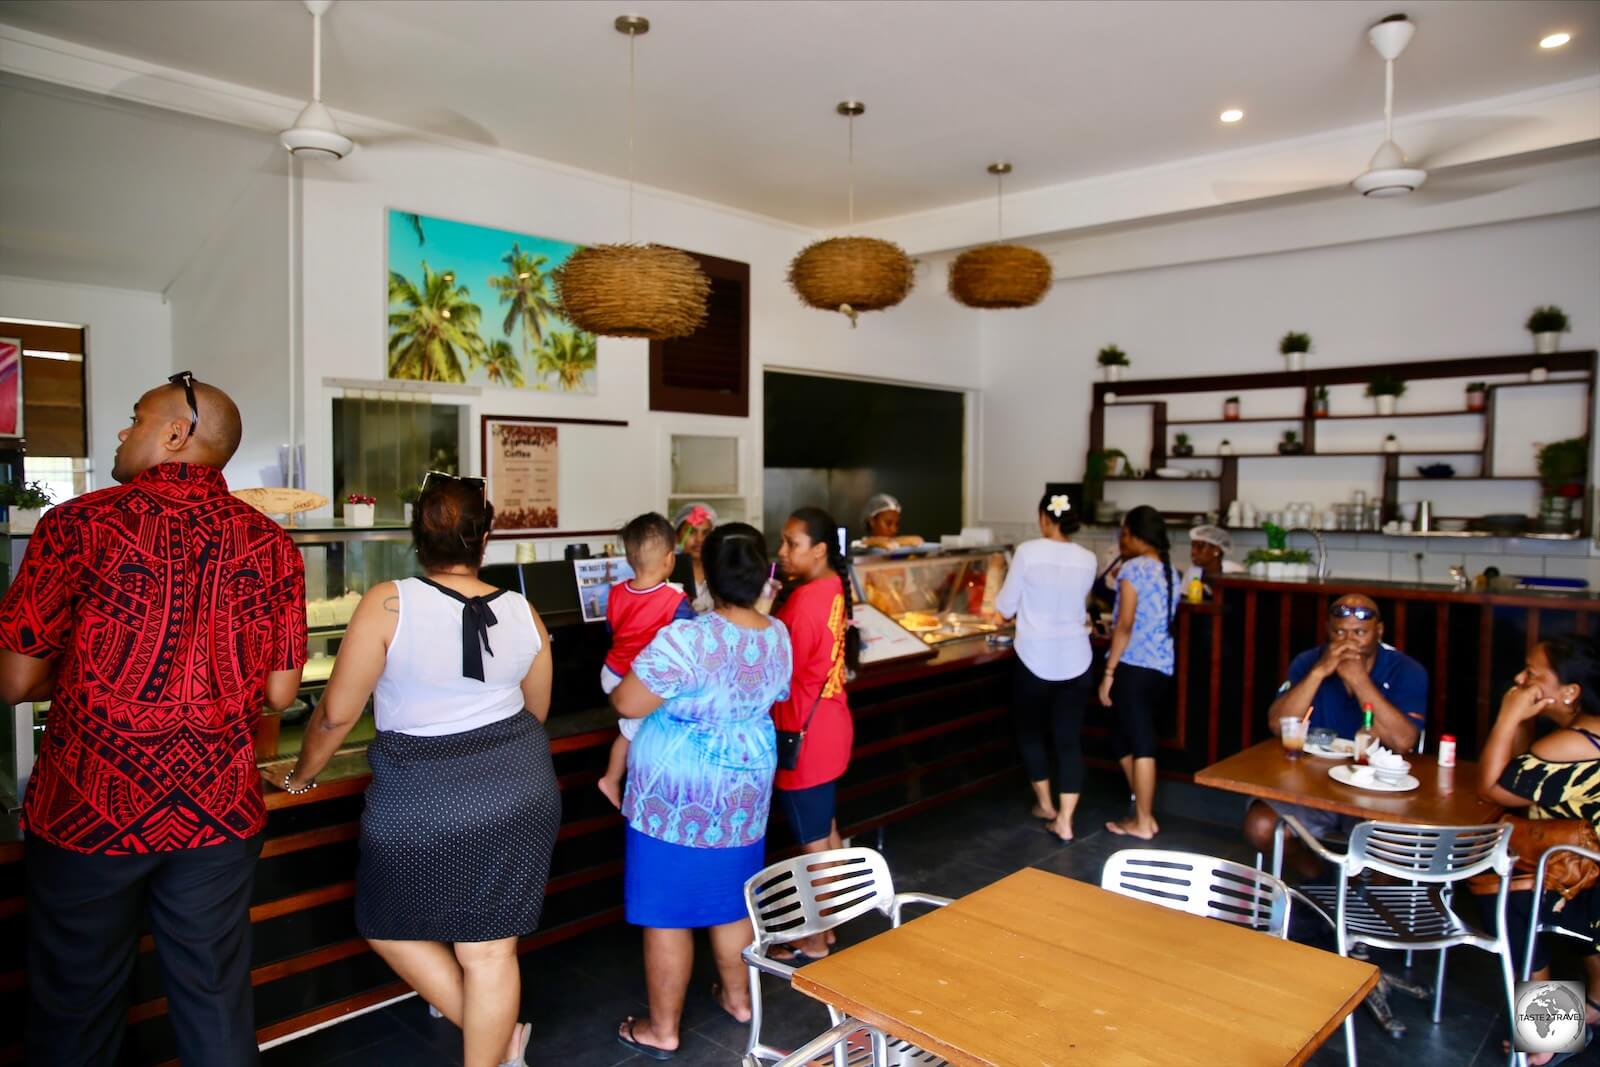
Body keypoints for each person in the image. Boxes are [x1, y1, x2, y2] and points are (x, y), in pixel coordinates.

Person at [0, 373, 306, 1067]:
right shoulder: (271, 544)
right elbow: (283, 691)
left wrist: (81, 670)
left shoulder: (76, 525)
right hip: (219, 813)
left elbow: (15, 680)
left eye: (134, 418)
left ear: (175, 433)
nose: (121, 431)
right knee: (215, 1000)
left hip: (87, 810)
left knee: (75, 1006)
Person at [277, 474, 559, 1067]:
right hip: (519, 786)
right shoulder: (522, 610)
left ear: (416, 538)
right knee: (489, 953)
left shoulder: (387, 601)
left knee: (388, 927)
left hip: (419, 799)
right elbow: (536, 712)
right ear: (484, 539)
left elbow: (333, 716)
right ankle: (499, 1044)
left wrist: (302, 775)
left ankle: (501, 1042)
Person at [610, 523, 792, 1060]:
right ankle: (739, 1000)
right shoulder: (776, 633)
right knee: (731, 900)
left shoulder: (689, 638)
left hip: (677, 795)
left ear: (705, 574)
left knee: (667, 913)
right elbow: (774, 690)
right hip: (744, 790)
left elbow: (627, 702)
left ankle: (662, 1029)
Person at [1478, 634, 1600, 1062]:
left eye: (1532, 674)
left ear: (1570, 692)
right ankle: (1596, 1006)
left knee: (1518, 897)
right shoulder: (1585, 735)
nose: (1519, 679)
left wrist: (1508, 714)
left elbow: (1494, 788)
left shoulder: (1568, 746)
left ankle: (1548, 1037)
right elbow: (1520, 775)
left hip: (1591, 887)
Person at [1244, 595, 1427, 876]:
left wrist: (1358, 679)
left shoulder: (1406, 670)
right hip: (1311, 786)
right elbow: (1279, 725)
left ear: (1379, 631)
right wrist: (1318, 673)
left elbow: (1403, 741)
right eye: (1339, 632)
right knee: (1261, 825)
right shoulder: (1310, 661)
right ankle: (1316, 881)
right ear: (1328, 629)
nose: (1348, 641)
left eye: (1359, 633)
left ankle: (1363, 908)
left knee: (1395, 847)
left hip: (1378, 792)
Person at [770, 506, 859, 960]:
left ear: (820, 550)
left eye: (792, 544)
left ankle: (815, 937)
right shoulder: (829, 588)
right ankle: (831, 924)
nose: (782, 552)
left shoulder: (803, 602)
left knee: (813, 844)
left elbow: (777, 674)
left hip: (803, 735)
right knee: (825, 831)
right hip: (829, 725)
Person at [994, 492, 1097, 843]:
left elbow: (1005, 607)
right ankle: (1066, 820)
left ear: (1043, 517)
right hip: (1076, 658)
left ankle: (1046, 805)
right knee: (1069, 740)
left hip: (1034, 658)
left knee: (1030, 733)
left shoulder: (1027, 552)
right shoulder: (1088, 559)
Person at [597, 512, 695, 809]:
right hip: (638, 679)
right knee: (633, 733)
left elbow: (611, 629)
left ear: (629, 558)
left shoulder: (615, 593)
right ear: (669, 559)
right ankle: (612, 779)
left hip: (612, 672)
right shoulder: (675, 599)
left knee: (635, 727)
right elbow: (689, 638)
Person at [1098, 505, 1177, 840]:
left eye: (1124, 532)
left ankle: (1144, 821)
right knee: (1124, 736)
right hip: (1161, 668)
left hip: (1134, 665)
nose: (1121, 539)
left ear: (1133, 533)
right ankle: (1143, 813)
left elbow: (1125, 625)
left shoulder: (1134, 569)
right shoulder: (1171, 571)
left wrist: (1109, 671)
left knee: (1140, 741)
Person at [670, 501, 718, 613]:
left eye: (706, 533)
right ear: (677, 536)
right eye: (691, 532)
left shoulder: (721, 571)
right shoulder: (668, 572)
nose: (699, 539)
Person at [1182, 523, 1245, 596]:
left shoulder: (1233, 571)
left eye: (1200, 546)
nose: (1193, 552)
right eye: (1193, 546)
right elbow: (1184, 601)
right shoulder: (1192, 572)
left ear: (1216, 550)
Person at [858, 492, 923, 549]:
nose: (894, 529)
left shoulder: (901, 547)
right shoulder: (858, 547)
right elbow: (862, 544)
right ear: (872, 522)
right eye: (888, 523)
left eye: (897, 524)